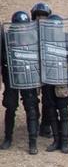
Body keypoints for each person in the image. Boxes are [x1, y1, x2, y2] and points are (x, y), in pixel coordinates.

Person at [1, 10, 42, 154]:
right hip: (11, 78)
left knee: (31, 108)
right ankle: (7, 138)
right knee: (10, 107)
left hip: (28, 77)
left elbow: (39, 57)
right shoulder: (5, 36)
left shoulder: (33, 36)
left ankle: (32, 142)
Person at [35, 6, 68, 154]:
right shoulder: (42, 39)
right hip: (47, 79)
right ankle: (56, 140)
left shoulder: (67, 38)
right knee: (50, 110)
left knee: (63, 111)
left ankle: (64, 142)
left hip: (62, 80)